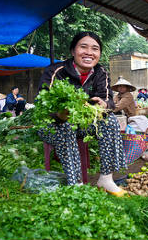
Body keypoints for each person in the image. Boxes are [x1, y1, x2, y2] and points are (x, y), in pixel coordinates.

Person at [37, 31, 127, 197]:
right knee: (65, 126)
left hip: (83, 126)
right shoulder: (56, 71)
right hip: (51, 127)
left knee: (110, 120)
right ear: (73, 51)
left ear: (99, 53)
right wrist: (59, 115)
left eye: (95, 48)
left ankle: (106, 178)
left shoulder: (100, 72)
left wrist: (104, 105)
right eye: (83, 47)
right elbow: (42, 105)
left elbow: (109, 101)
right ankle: (75, 183)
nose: (89, 53)